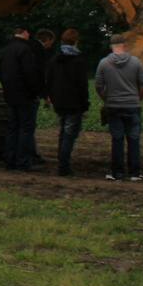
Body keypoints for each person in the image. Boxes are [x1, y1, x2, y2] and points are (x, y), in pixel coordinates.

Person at [95, 32, 143, 181]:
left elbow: (99, 86)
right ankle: (134, 173)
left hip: (113, 106)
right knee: (133, 139)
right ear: (125, 45)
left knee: (117, 139)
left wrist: (107, 100)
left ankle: (117, 174)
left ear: (111, 46)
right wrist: (139, 99)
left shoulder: (104, 63)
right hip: (133, 105)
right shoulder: (136, 62)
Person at [0, 23, 43, 170]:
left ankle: (9, 161)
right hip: (25, 96)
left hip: (10, 95)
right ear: (26, 33)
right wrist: (35, 93)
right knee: (26, 129)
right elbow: (30, 73)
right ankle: (22, 162)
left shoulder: (6, 50)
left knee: (12, 129)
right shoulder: (25, 49)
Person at [46, 28, 90, 176]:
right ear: (76, 42)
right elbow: (82, 85)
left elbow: (49, 81)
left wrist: (52, 98)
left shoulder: (53, 60)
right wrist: (85, 106)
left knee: (62, 134)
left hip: (59, 104)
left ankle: (62, 164)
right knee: (69, 136)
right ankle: (63, 167)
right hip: (74, 104)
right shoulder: (78, 61)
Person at [31, 28, 55, 164]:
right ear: (46, 40)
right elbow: (40, 75)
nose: (50, 45)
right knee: (28, 127)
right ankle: (32, 155)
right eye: (50, 42)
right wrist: (44, 95)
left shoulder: (25, 47)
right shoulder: (39, 52)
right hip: (30, 95)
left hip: (16, 93)